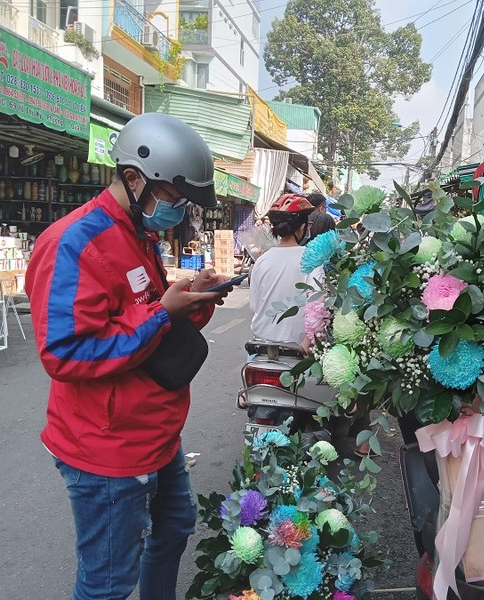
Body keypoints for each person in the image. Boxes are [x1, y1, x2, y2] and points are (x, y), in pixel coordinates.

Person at [25, 112, 232, 600]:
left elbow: (145, 321)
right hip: (108, 449)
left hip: (154, 435)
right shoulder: (73, 244)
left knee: (176, 525)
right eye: (173, 197)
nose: (178, 211)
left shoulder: (137, 235)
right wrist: (163, 313)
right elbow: (66, 353)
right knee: (107, 581)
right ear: (134, 178)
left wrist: (191, 301)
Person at [249, 193, 315, 343]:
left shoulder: (262, 261)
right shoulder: (312, 259)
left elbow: (255, 305)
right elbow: (318, 304)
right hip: (298, 348)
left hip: (261, 345)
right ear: (303, 227)